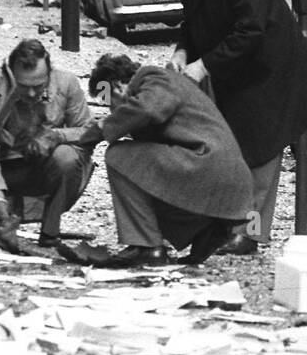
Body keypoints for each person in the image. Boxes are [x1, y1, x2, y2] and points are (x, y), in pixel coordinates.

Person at [143, 0, 307, 255]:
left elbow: (251, 29)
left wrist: (202, 66)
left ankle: (250, 234)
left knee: (261, 155)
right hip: (236, 71)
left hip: (272, 70)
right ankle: (231, 226)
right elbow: (194, 21)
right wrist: (182, 52)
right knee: (234, 150)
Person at [80, 54, 253, 267]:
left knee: (117, 156)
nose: (112, 109)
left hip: (207, 163)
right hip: (216, 170)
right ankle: (203, 229)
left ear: (116, 86)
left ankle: (147, 246)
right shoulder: (161, 85)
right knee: (138, 170)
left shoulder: (155, 78)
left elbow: (149, 108)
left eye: (107, 100)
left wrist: (101, 129)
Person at [0, 39, 97, 249]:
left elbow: (90, 131)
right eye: (23, 86)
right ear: (10, 74)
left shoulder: (67, 83)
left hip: (44, 168)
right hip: (1, 169)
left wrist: (57, 136)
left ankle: (50, 232)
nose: (30, 94)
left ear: (49, 73)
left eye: (38, 86)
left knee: (67, 157)